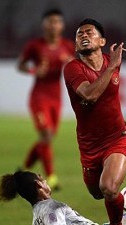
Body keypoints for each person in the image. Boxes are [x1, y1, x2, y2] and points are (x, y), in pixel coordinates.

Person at [63, 18, 126, 225]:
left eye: (89, 32)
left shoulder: (112, 62)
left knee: (109, 188)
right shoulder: (72, 68)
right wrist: (112, 67)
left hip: (117, 137)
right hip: (89, 145)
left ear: (102, 41)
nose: (83, 35)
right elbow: (89, 95)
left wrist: (112, 65)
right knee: (97, 193)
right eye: (79, 34)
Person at [17, 9, 74, 190]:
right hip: (39, 96)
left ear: (62, 25)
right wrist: (34, 71)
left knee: (47, 138)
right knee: (47, 135)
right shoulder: (35, 45)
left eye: (57, 21)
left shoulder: (67, 46)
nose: (53, 25)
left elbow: (76, 65)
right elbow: (20, 65)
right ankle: (51, 176)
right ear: (44, 24)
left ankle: (23, 170)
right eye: (50, 21)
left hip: (56, 97)